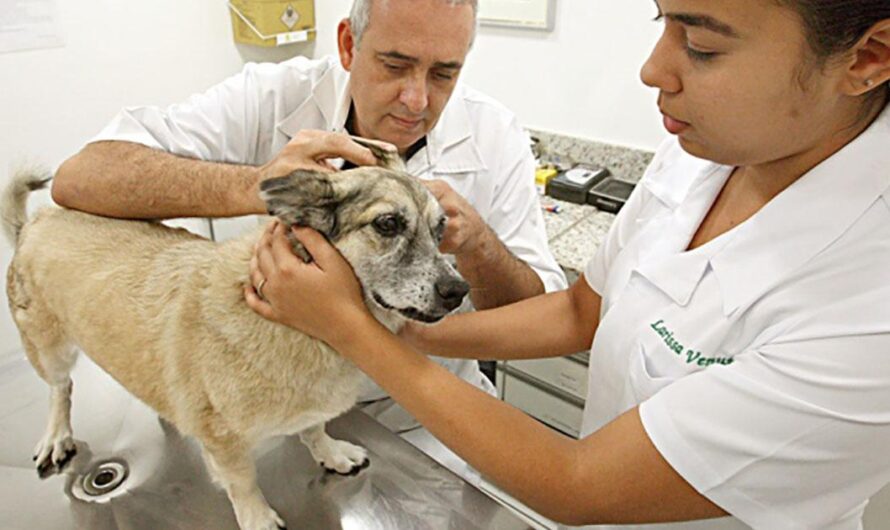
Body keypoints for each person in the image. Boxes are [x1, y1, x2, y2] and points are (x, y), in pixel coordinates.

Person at [245, 0, 890, 528]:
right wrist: (402, 327)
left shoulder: (867, 304)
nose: (652, 70)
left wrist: (352, 331)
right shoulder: (711, 145)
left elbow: (576, 484)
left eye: (702, 46)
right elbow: (582, 310)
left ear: (866, 58)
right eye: (661, 21)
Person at [50, 0, 566, 482]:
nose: (416, 100)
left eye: (444, 73)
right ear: (347, 45)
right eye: (393, 64)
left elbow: (540, 315)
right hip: (275, 403)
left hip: (429, 418)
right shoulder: (270, 95)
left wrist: (478, 246)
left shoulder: (497, 135)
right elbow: (78, 179)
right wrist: (256, 186)